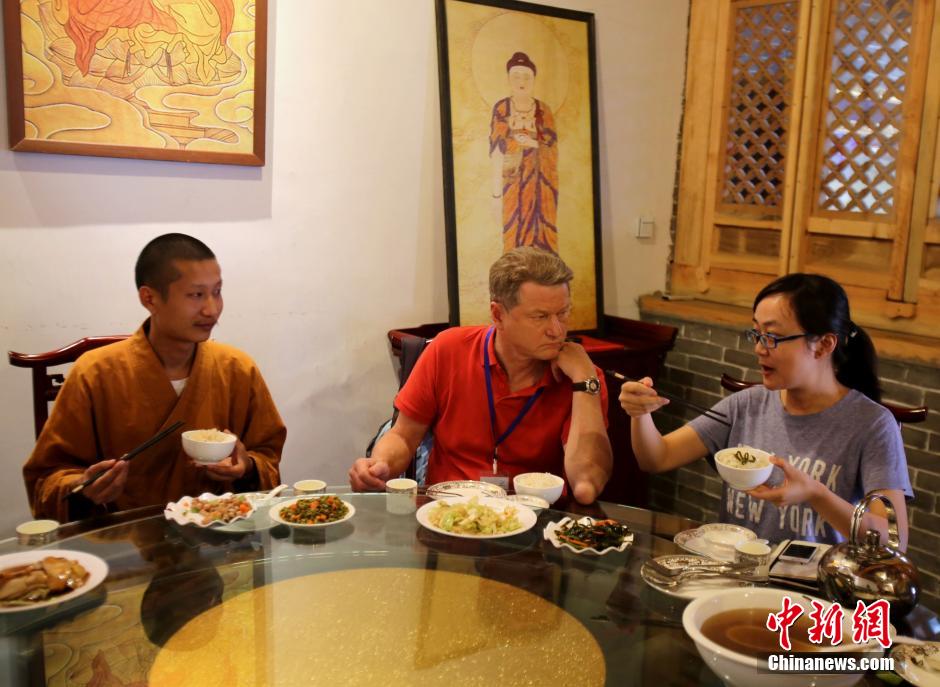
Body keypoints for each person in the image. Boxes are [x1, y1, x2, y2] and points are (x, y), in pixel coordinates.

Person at [618, 273, 912, 547]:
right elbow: (657, 458)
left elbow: (890, 540)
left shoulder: (871, 424)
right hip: (736, 574)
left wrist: (815, 493)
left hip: (815, 583)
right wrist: (640, 414)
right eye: (756, 334)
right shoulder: (747, 404)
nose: (759, 348)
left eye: (772, 337)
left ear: (823, 345)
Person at [23, 233, 286, 522]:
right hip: (123, 537)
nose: (211, 309)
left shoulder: (237, 368)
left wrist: (247, 467)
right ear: (149, 298)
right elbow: (48, 477)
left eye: (217, 292)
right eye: (196, 295)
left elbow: (267, 456)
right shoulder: (95, 372)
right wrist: (85, 487)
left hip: (221, 533)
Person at [349, 247, 612, 504]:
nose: (556, 330)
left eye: (563, 313)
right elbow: (403, 436)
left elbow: (585, 487)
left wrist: (584, 377)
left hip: (533, 520)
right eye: (540, 317)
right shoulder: (449, 349)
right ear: (498, 314)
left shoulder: (582, 379)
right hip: (446, 514)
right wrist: (379, 466)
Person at [490, 52, 559, 255]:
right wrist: (496, 195)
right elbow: (497, 151)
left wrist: (532, 143)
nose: (522, 82)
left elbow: (552, 149)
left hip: (540, 183)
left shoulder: (543, 110)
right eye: (516, 76)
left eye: (527, 77)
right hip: (512, 183)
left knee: (541, 241)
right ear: (509, 79)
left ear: (534, 79)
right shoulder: (502, 108)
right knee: (513, 237)